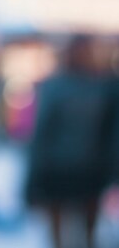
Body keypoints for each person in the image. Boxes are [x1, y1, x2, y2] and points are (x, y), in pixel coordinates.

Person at [24, 34, 114, 248]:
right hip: (63, 169)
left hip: (88, 169)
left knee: (87, 232)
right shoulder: (61, 86)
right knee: (62, 234)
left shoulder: (103, 87)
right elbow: (42, 132)